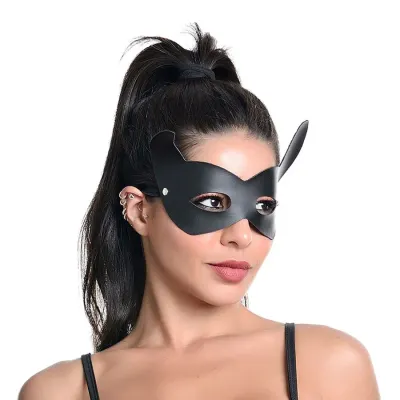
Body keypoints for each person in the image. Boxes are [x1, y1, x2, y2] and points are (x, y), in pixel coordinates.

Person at [18, 22, 380, 400]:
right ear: (139, 211)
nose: (242, 236)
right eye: (212, 203)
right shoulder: (61, 392)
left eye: (263, 206)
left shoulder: (326, 365)